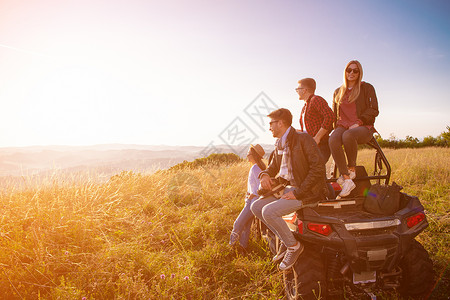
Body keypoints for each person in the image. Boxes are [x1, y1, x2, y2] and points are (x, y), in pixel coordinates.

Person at [250, 108, 327, 270]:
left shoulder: (303, 139)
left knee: (268, 212)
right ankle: (286, 240)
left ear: (281, 123)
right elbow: (272, 167)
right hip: (287, 188)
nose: (269, 127)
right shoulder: (280, 142)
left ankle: (293, 246)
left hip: (307, 192)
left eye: (271, 123)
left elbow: (318, 169)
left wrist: (298, 193)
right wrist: (264, 175)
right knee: (255, 206)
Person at [329, 60, 379, 198]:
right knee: (333, 139)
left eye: (355, 70)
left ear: (359, 73)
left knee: (348, 135)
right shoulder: (338, 91)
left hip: (362, 127)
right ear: (344, 72)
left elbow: (374, 109)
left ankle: (352, 168)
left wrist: (359, 121)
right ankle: (347, 178)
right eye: (348, 70)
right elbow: (334, 115)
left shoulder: (367, 88)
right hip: (342, 125)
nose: (351, 73)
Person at [229, 144, 266, 251]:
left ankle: (231, 245)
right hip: (251, 200)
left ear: (253, 155)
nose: (247, 156)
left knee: (238, 223)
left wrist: (253, 195)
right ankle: (242, 248)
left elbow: (261, 186)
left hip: (252, 202)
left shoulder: (255, 168)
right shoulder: (256, 167)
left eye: (248, 154)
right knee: (246, 225)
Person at [296, 78, 335, 163]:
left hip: (321, 146)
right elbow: (309, 130)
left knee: (314, 172)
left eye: (298, 89)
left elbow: (330, 116)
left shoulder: (316, 100)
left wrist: (318, 137)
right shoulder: (305, 106)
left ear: (304, 90)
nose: (297, 91)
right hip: (309, 146)